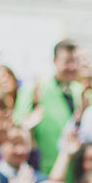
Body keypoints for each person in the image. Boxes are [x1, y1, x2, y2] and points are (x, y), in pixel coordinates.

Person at [13, 40, 83, 174]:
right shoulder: (34, 89)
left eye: (75, 61)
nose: (72, 67)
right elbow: (19, 126)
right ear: (55, 61)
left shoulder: (80, 92)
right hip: (43, 171)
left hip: (74, 171)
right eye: (67, 61)